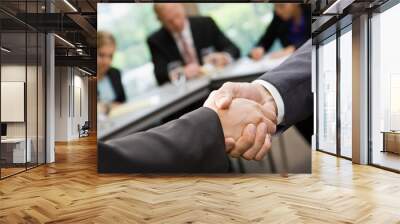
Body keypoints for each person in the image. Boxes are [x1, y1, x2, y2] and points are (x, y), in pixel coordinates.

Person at [97, 39, 312, 173]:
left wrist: (267, 94)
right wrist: (213, 121)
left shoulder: (204, 24)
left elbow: (233, 48)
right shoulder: (156, 40)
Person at [147, 3, 240, 86]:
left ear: (182, 7)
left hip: (217, 83)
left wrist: (224, 57)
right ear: (160, 20)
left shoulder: (206, 23)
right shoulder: (156, 40)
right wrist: (181, 72)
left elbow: (234, 49)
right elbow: (160, 75)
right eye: (169, 21)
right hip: (186, 93)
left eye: (177, 16)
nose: (176, 23)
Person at [97, 31, 126, 105]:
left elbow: (123, 103)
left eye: (110, 56)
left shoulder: (115, 73)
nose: (106, 61)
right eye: (101, 55)